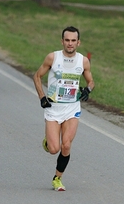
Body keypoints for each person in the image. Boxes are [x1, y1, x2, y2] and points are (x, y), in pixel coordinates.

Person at [33, 26, 95, 191]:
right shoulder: (53, 58)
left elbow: (91, 81)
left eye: (73, 40)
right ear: (62, 41)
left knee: (66, 145)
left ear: (78, 42)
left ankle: (57, 178)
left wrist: (87, 90)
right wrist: (41, 97)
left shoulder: (83, 61)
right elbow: (37, 76)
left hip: (72, 108)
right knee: (55, 149)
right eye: (67, 40)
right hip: (53, 108)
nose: (70, 43)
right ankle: (48, 141)